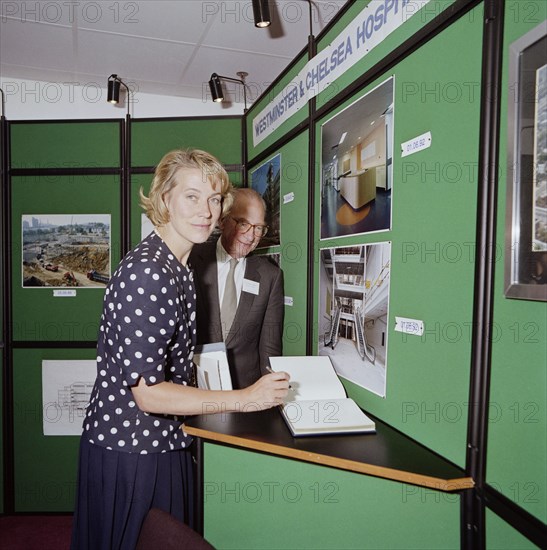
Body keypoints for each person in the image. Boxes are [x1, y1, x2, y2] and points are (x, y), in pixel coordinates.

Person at [70, 149, 289, 550]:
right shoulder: (150, 271)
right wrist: (244, 398)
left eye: (213, 199)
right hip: (134, 452)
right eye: (192, 196)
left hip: (159, 442)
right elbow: (149, 394)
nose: (205, 210)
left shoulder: (176, 265)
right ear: (164, 199)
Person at [189, 188, 284, 389]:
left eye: (259, 228)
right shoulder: (192, 260)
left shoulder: (270, 276)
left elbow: (270, 349)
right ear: (223, 220)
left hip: (246, 393)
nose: (251, 237)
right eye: (243, 223)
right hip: (193, 389)